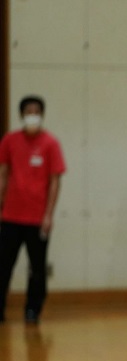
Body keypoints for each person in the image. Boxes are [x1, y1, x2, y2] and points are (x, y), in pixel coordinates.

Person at [0, 95, 66, 324]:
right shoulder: (9, 141)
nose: (32, 115)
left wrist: (48, 214)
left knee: (37, 268)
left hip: (37, 218)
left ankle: (32, 309)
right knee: (4, 264)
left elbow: (55, 181)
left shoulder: (50, 143)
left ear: (42, 114)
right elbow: (4, 174)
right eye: (28, 111)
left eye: (36, 111)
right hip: (10, 216)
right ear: (21, 115)